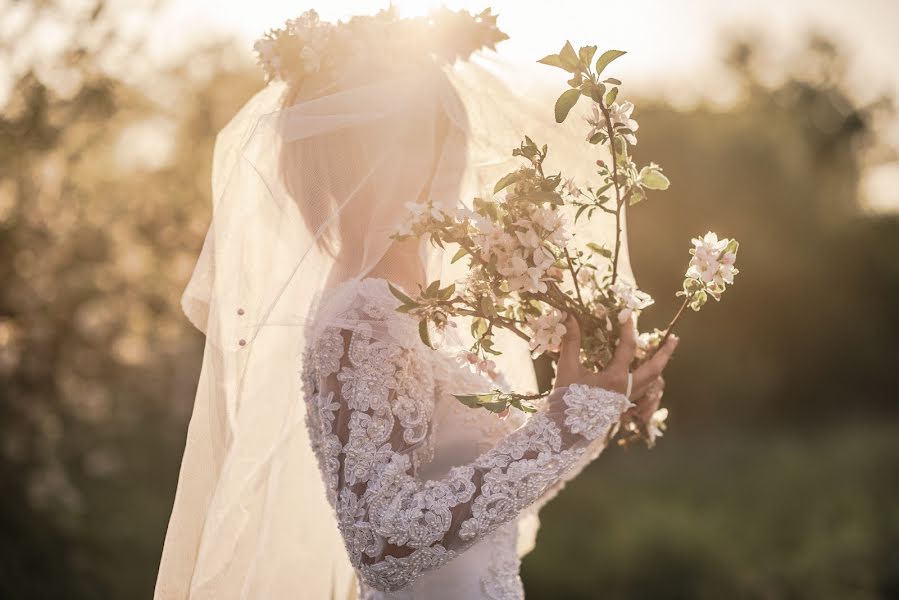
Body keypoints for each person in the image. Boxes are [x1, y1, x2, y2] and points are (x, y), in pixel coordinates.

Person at [155, 8, 677, 599]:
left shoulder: (421, 314)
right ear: (393, 158)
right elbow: (382, 543)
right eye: (447, 139)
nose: (461, 162)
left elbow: (488, 501)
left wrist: (594, 412)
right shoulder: (364, 319)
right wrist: (563, 424)